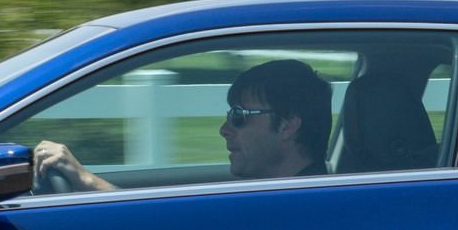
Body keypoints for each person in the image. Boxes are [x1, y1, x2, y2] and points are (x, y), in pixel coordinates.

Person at [31, 57, 334, 192]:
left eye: (240, 116)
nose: (224, 129)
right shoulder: (270, 193)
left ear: (287, 126)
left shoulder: (295, 206)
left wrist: (86, 180)